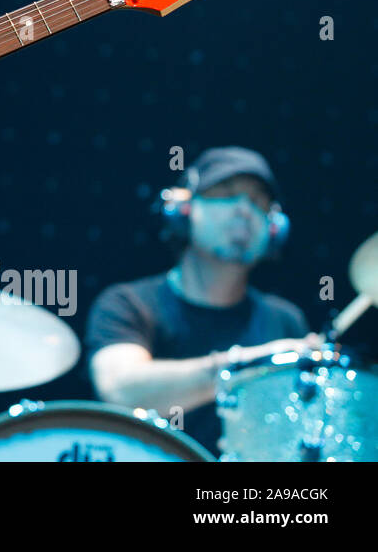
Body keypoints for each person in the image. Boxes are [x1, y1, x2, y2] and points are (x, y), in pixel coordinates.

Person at [85, 146, 317, 457]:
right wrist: (253, 365)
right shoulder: (127, 303)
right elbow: (120, 390)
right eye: (226, 192)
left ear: (274, 230)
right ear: (183, 210)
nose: (244, 210)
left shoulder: (286, 321)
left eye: (258, 201)